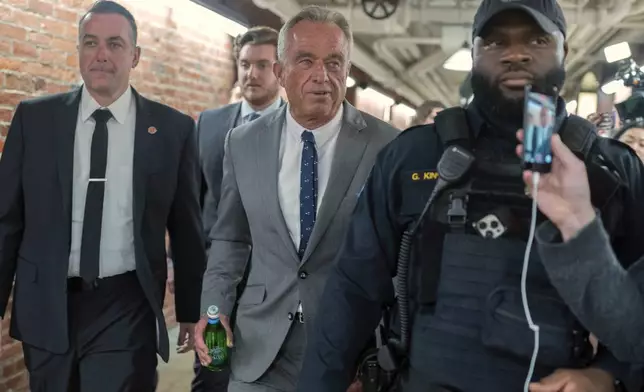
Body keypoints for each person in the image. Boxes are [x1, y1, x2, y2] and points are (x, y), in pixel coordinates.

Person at [296, 0, 644, 391]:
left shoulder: (612, 173)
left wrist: (608, 375)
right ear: (473, 53)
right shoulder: (413, 157)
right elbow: (352, 289)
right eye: (495, 42)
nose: (516, 54)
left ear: (565, 49)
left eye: (537, 39)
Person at [0, 1, 205, 390]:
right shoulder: (35, 120)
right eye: (90, 42)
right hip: (46, 301)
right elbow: (7, 218)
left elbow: (186, 227)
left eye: (115, 44)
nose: (101, 55)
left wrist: (190, 311)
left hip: (125, 304)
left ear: (135, 56)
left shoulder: (171, 130)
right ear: (78, 49)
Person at [194, 6, 399, 392]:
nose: (321, 76)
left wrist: (389, 348)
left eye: (334, 62)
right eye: (306, 61)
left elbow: (399, 258)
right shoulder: (244, 142)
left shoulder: (386, 145)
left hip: (348, 350)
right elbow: (230, 238)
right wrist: (214, 306)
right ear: (281, 71)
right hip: (259, 344)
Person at [193, 25, 284, 392]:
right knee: (211, 373)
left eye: (263, 65)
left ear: (280, 69)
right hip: (217, 273)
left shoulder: (298, 128)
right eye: (245, 64)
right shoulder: (211, 124)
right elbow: (193, 200)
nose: (252, 74)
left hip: (274, 279)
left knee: (264, 372)